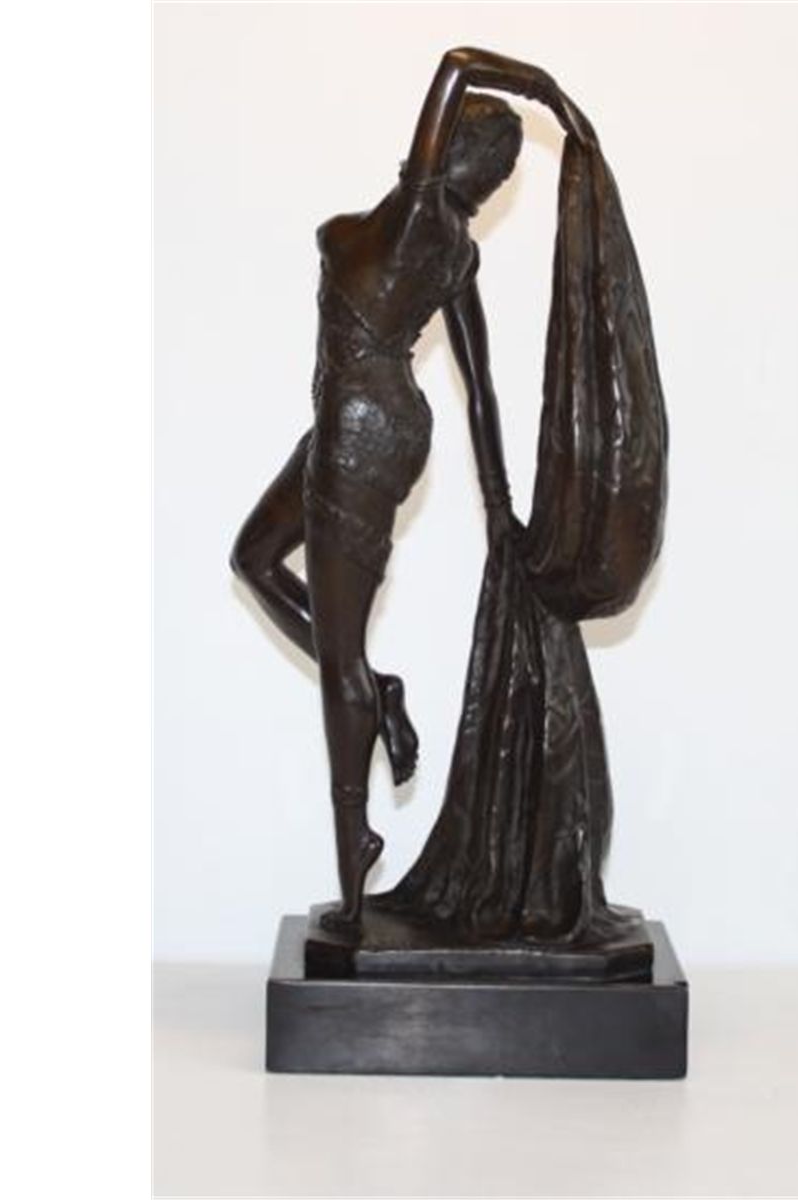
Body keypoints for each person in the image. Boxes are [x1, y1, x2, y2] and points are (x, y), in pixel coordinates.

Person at [231, 48, 595, 930]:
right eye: (493, 163)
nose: (488, 178)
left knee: (338, 664)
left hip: (363, 432)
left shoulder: (428, 220)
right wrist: (497, 499)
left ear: (450, 159)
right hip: (351, 424)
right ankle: (378, 691)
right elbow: (481, 388)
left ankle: (353, 839)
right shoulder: (443, 246)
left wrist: (540, 90)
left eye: (492, 169)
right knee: (254, 559)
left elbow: (455, 64)